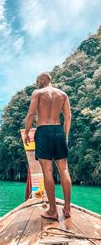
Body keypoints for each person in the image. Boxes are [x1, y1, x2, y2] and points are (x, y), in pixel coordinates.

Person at [24, 72, 72, 219]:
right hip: (58, 131)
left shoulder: (38, 93)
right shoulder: (63, 94)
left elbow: (31, 113)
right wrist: (65, 135)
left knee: (47, 171)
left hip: (43, 131)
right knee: (64, 169)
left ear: (43, 79)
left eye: (37, 80)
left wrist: (26, 132)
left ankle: (52, 210)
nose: (37, 83)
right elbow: (68, 117)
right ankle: (67, 208)